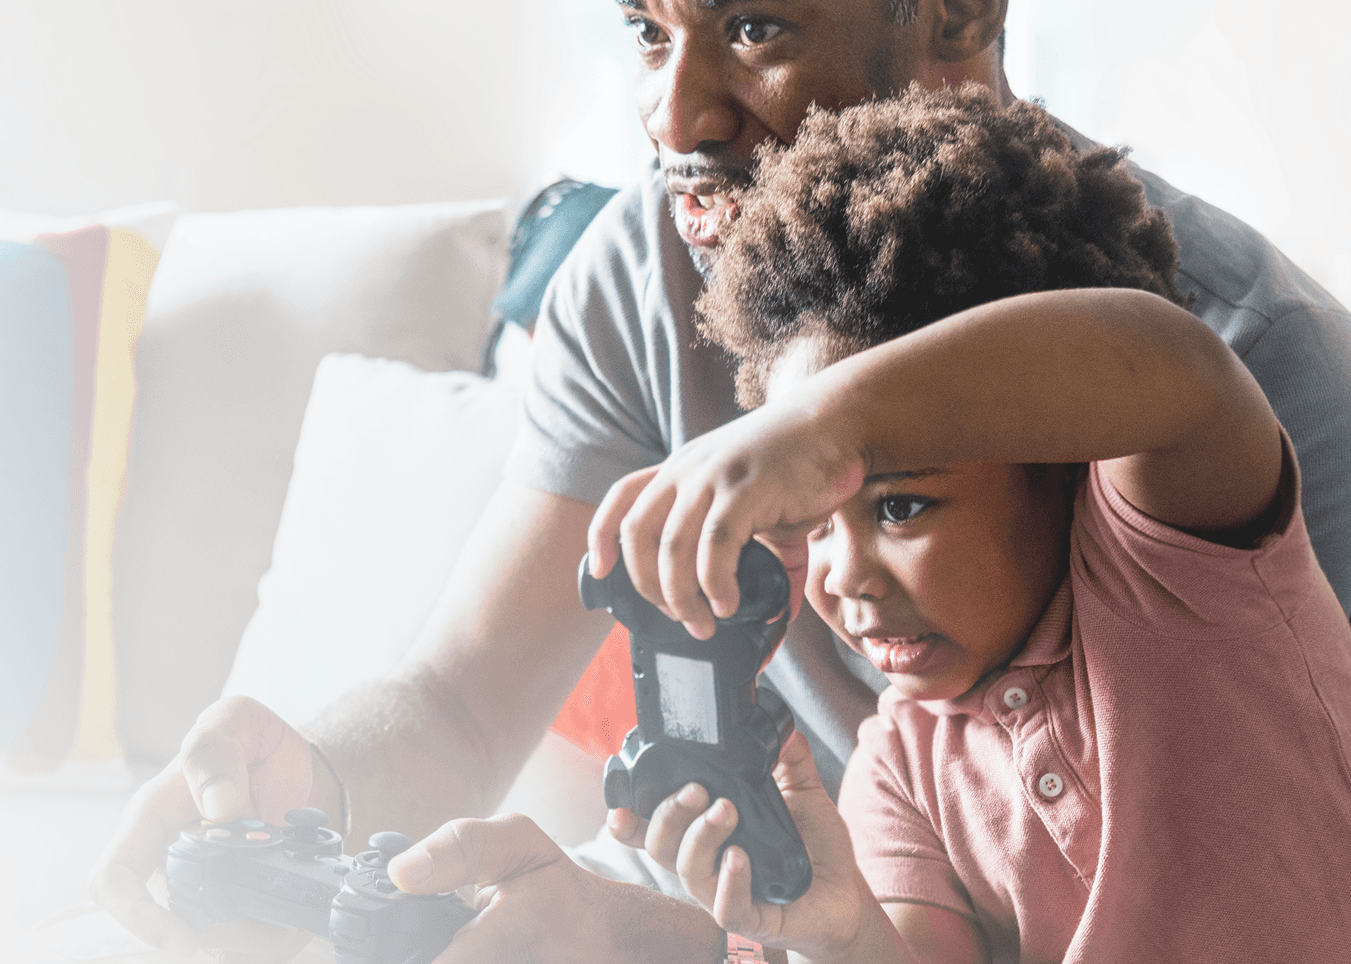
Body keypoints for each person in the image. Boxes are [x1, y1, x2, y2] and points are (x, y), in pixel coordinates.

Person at [90, 0, 1351, 960]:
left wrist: (819, 432)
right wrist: (305, 787)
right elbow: (461, 704)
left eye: (753, 27)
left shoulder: (1239, 376)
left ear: (959, 13)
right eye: (647, 30)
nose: (673, 115)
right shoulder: (649, 263)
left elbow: (1164, 376)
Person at [592, 83, 1351, 963]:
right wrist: (842, 931)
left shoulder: (1179, 579)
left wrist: (827, 429)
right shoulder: (898, 770)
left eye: (899, 506)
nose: (844, 575)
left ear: (1064, 458)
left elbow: (1172, 365)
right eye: (817, 524)